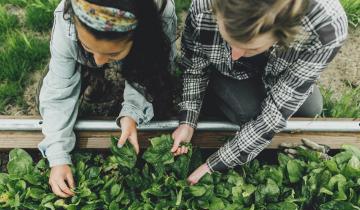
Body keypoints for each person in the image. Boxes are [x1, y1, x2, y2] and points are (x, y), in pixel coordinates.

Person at [171, 0, 348, 184]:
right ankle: (216, 97)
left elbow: (276, 112)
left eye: (251, 48)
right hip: (230, 72)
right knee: (247, 112)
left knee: (310, 110)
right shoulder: (204, 7)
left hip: (279, 72)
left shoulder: (326, 26)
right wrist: (188, 121)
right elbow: (195, 68)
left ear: (283, 30)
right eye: (228, 40)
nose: (235, 54)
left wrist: (214, 164)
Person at [37, 0, 177, 197]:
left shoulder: (161, 14)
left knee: (160, 91)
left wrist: (132, 113)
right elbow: (58, 90)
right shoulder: (66, 17)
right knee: (50, 92)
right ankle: (96, 77)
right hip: (81, 44)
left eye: (112, 54)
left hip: (145, 45)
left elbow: (152, 70)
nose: (98, 60)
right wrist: (58, 156)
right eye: (88, 46)